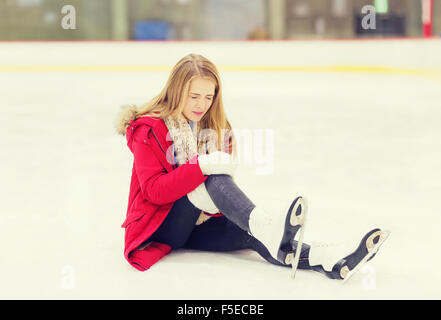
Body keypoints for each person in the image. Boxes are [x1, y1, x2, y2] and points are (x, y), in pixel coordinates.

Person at [115, 53, 389, 281]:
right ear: (177, 91)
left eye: (208, 97)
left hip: (199, 224)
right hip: (160, 226)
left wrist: (210, 167)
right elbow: (154, 192)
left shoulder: (210, 127)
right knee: (212, 175)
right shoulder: (148, 129)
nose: (201, 105)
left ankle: (329, 261)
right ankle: (268, 226)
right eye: (194, 96)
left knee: (256, 237)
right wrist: (204, 165)